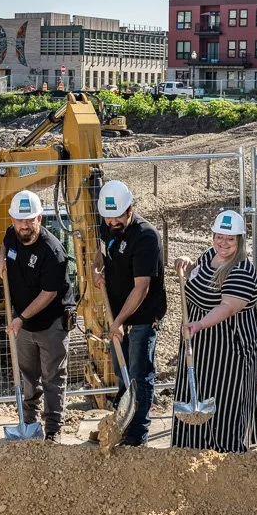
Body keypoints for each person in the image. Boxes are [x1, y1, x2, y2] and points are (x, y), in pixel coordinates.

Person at [171, 210, 257, 453]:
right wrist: (187, 265)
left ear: (240, 240)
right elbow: (197, 277)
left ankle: (226, 458)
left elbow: (227, 307)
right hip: (199, 346)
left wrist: (199, 324)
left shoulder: (241, 269)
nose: (223, 243)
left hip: (228, 350)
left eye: (230, 239)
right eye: (219, 236)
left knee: (225, 403)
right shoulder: (211, 255)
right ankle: (191, 450)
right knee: (195, 395)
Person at [0, 190, 76, 442]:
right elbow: (6, 244)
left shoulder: (53, 252)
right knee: (27, 375)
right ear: (12, 220)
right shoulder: (12, 234)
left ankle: (53, 428)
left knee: (52, 377)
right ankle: (28, 421)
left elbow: (49, 293)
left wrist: (20, 319)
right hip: (24, 323)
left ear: (39, 219)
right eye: (20, 220)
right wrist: (0, 259)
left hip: (51, 323)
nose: (24, 225)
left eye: (30, 220)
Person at [91, 180, 166, 446]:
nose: (112, 222)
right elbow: (102, 251)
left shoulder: (146, 237)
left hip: (141, 318)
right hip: (117, 316)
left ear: (130, 209)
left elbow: (142, 288)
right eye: (108, 218)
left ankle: (136, 436)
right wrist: (97, 266)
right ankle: (120, 424)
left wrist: (120, 322)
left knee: (138, 375)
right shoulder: (108, 224)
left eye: (117, 217)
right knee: (122, 374)